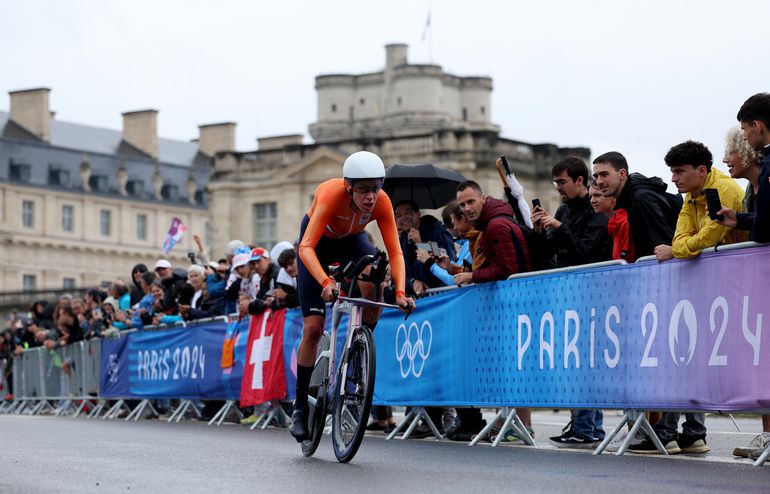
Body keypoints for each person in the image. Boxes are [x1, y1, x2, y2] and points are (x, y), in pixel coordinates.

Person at [289, 150, 414, 442]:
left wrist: (400, 291)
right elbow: (305, 248)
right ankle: (298, 407)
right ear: (349, 187)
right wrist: (325, 280)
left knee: (376, 273)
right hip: (317, 245)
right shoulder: (332, 195)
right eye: (363, 190)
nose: (371, 197)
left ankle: (360, 345)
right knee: (313, 328)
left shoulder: (381, 201)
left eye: (376, 188)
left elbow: (395, 250)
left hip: (351, 242)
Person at [530, 158, 611, 448]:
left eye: (562, 182)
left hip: (591, 294)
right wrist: (540, 230)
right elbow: (548, 253)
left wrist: (560, 227)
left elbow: (586, 252)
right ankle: (583, 424)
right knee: (573, 362)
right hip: (567, 293)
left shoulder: (596, 210)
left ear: (580, 181)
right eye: (555, 182)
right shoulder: (564, 209)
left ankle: (587, 426)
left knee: (584, 363)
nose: (558, 188)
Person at [451, 180, 532, 441]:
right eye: (462, 204)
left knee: (511, 365)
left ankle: (518, 426)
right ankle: (512, 424)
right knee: (509, 364)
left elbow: (509, 268)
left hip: (511, 303)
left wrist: (473, 276)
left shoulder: (496, 225)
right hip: (510, 302)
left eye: (470, 201)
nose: (466, 208)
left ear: (483, 198)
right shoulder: (491, 222)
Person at [653, 140, 746, 263]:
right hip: (729, 264)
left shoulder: (723, 189)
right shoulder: (691, 193)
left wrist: (674, 251)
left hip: (747, 263)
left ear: (701, 171)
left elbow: (708, 238)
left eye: (679, 172)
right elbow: (680, 237)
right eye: (673, 172)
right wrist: (679, 247)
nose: (673, 179)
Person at [592, 151, 683, 258]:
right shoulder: (632, 197)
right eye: (596, 176)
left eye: (604, 174)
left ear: (622, 174)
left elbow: (664, 244)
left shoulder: (641, 198)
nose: (599, 181)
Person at [717, 93, 770, 243]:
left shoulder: (768, 165)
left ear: (757, 126)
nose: (745, 136)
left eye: (744, 128)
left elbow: (763, 232)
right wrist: (740, 219)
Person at [395, 199, 456, 295]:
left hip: (443, 293)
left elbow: (443, 264)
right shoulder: (402, 239)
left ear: (418, 214)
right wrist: (413, 282)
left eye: (408, 213)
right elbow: (402, 272)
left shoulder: (437, 231)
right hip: (422, 297)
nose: (403, 218)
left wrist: (420, 244)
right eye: (399, 216)